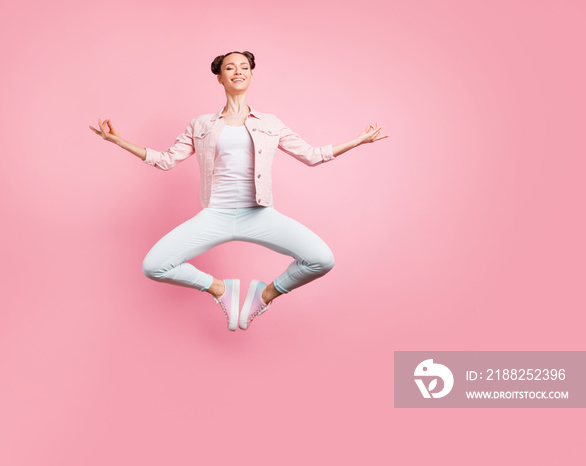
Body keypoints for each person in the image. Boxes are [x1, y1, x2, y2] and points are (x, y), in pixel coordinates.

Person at [90, 50, 388, 331]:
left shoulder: (271, 123)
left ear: (251, 76)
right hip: (214, 215)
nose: (238, 71)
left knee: (322, 259)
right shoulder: (201, 124)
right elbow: (166, 160)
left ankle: (265, 294)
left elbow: (311, 155)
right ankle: (220, 288)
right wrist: (119, 141)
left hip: (259, 214)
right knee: (154, 266)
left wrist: (356, 141)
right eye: (230, 67)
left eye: (244, 67)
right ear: (219, 77)